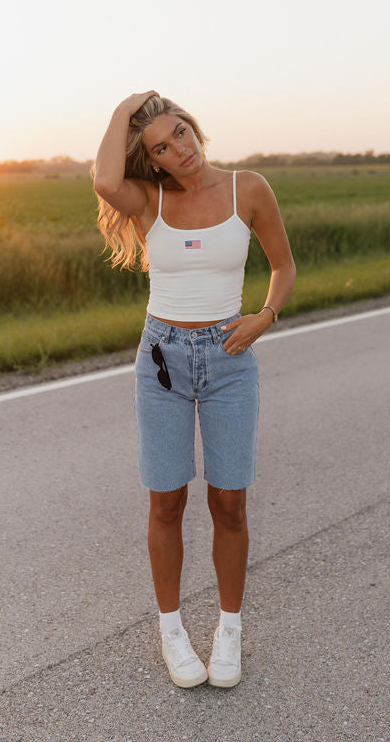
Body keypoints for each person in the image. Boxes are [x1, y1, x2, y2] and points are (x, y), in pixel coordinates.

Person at [93, 90, 296, 689]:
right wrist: (124, 108)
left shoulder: (247, 189)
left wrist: (264, 316)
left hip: (230, 358)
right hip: (162, 360)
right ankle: (172, 630)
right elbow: (105, 181)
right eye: (160, 146)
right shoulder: (147, 200)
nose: (178, 149)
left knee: (229, 503)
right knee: (167, 502)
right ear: (151, 159)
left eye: (180, 131)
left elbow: (283, 265)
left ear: (193, 127)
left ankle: (229, 630)